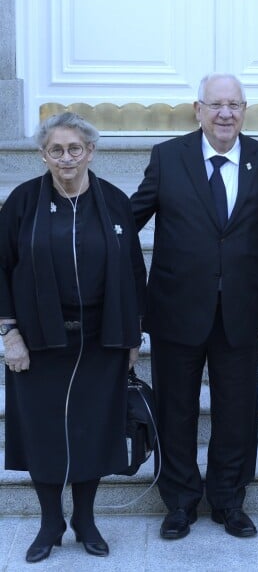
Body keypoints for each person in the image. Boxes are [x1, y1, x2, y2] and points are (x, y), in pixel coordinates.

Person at [131, 73, 258, 541]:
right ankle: (180, 501)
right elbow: (129, 219)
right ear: (197, 109)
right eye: (216, 104)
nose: (226, 114)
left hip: (243, 309)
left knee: (237, 411)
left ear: (245, 110)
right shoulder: (168, 157)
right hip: (175, 308)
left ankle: (228, 500)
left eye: (234, 105)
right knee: (175, 409)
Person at [0, 112, 146, 563]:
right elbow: (2, 270)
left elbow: (133, 272)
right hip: (38, 340)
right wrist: (9, 334)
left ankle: (84, 519)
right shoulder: (22, 203)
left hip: (101, 339)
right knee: (42, 434)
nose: (66, 158)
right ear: (43, 154)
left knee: (93, 432)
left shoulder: (116, 202)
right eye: (56, 150)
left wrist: (132, 336)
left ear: (91, 152)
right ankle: (50, 522)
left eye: (74, 149)